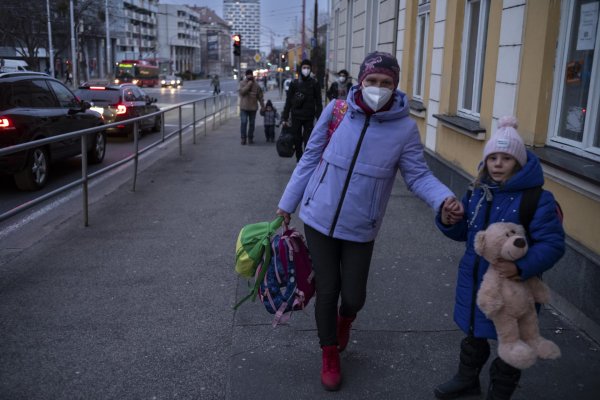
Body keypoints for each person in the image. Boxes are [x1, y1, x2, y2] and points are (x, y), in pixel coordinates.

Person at [275, 52, 463, 392]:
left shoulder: (404, 129)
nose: (378, 88)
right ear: (361, 81)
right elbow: (310, 158)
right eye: (372, 81)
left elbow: (418, 176)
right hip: (318, 216)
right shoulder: (337, 112)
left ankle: (346, 320)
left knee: (354, 297)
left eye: (386, 83)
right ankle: (329, 352)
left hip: (361, 225)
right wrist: (287, 204)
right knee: (328, 289)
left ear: (396, 86)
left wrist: (443, 199)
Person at [434, 116, 565, 400]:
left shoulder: (537, 199)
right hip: (476, 283)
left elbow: (553, 244)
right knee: (473, 335)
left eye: (505, 158)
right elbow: (465, 234)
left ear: (518, 162)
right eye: (492, 157)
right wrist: (448, 219)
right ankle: (467, 379)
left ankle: (500, 392)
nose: (497, 163)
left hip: (514, 288)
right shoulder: (477, 191)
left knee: (511, 343)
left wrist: (521, 267)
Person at [282, 59, 323, 161]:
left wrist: (320, 117)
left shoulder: (314, 83)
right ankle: (299, 158)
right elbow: (288, 102)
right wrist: (285, 117)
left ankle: (306, 159)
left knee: (308, 139)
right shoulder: (294, 83)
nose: (306, 70)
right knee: (297, 139)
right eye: (304, 67)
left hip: (309, 116)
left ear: (311, 69)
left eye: (308, 68)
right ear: (301, 69)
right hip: (296, 116)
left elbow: (318, 102)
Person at [238, 69, 265, 145]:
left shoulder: (256, 85)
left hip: (253, 108)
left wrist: (263, 106)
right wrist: (249, 85)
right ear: (246, 76)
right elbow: (242, 92)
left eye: (250, 74)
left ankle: (250, 138)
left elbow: (260, 97)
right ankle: (243, 138)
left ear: (252, 75)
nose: (249, 76)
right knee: (244, 122)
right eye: (248, 74)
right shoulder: (242, 83)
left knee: (252, 123)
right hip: (244, 107)